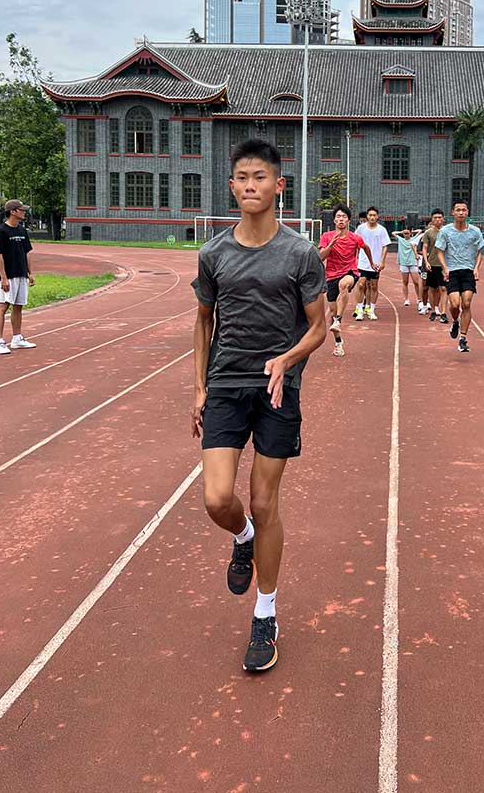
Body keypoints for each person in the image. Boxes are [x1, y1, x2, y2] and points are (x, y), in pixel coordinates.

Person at [191, 138, 327, 674]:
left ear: (279, 185)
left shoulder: (300, 253)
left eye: (260, 177)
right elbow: (203, 321)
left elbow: (317, 328)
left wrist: (286, 360)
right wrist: (198, 387)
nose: (251, 186)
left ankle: (265, 614)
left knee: (266, 503)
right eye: (242, 178)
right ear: (232, 186)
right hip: (225, 385)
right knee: (217, 499)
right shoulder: (214, 254)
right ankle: (242, 536)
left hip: (277, 391)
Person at [318, 204, 374, 357]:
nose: (341, 219)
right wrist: (331, 244)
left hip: (350, 272)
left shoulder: (355, 238)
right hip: (331, 276)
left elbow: (366, 248)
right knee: (332, 311)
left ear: (348, 220)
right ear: (334, 220)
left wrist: (371, 263)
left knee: (344, 285)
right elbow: (321, 257)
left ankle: (339, 320)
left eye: (344, 216)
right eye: (338, 216)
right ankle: (338, 342)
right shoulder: (326, 236)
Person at [436, 201, 484, 352]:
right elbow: (439, 251)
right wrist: (445, 267)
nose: (461, 212)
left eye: (464, 210)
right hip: (452, 271)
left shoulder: (475, 232)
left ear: (467, 212)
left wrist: (476, 268)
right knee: (455, 304)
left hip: (468, 271)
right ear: (453, 213)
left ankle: (463, 338)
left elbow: (480, 251)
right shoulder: (445, 231)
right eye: (458, 210)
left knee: (467, 304)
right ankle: (455, 321)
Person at [0, 200, 37, 355]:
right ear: (13, 212)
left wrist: (30, 273)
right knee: (3, 305)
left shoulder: (22, 230)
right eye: (21, 210)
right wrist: (3, 278)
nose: (24, 212)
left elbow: (27, 252)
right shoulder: (1, 231)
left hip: (21, 273)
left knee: (18, 305)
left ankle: (17, 338)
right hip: (8, 275)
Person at [353, 206, 391, 321]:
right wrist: (355, 258)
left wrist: (382, 261)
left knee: (373, 286)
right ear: (367, 216)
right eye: (370, 215)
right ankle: (360, 309)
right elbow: (355, 243)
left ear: (377, 216)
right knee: (361, 284)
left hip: (376, 263)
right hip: (363, 262)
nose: (372, 217)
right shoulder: (361, 228)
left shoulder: (382, 230)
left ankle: (371, 309)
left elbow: (385, 246)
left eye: (374, 215)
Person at [421, 209, 449, 324]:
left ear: (443, 219)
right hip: (432, 263)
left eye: (439, 217)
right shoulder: (428, 233)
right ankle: (433, 310)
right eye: (435, 218)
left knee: (444, 288)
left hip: (444, 265)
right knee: (432, 288)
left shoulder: (448, 231)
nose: (437, 220)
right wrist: (426, 261)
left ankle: (443, 312)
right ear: (432, 219)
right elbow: (425, 248)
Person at [393, 227, 421, 306]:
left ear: (410, 233)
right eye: (404, 234)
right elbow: (393, 233)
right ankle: (406, 299)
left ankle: (419, 298)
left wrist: (413, 231)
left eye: (407, 233)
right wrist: (401, 232)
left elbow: (420, 231)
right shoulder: (401, 239)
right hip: (403, 263)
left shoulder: (414, 239)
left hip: (413, 262)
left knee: (416, 282)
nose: (406, 235)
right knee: (405, 282)